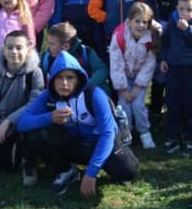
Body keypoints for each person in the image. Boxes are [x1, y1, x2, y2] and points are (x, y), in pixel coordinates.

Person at [17, 52, 140, 197]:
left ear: (79, 79)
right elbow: (22, 123)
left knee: (128, 172)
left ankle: (104, 165)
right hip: (73, 145)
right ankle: (67, 171)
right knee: (36, 135)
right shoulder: (47, 96)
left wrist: (92, 172)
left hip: (100, 144)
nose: (64, 83)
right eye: (59, 77)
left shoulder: (94, 94)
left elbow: (107, 133)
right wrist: (49, 117)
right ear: (52, 79)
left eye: (70, 77)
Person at [0, 31, 44, 173]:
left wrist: (9, 121)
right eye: (10, 47)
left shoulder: (35, 73)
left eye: (19, 47)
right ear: (3, 49)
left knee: (34, 141)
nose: (14, 52)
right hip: (0, 126)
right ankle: (12, 145)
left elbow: (35, 104)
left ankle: (29, 153)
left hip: (26, 121)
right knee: (6, 167)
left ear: (29, 49)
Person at [159, 0, 192, 157]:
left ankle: (190, 138)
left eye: (189, 10)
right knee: (173, 104)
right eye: (181, 9)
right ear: (177, 8)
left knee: (191, 105)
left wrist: (188, 30)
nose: (185, 13)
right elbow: (165, 42)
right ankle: (173, 136)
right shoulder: (172, 20)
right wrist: (163, 58)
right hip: (174, 70)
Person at [108, 3, 161, 149]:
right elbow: (116, 65)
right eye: (137, 21)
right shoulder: (119, 36)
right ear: (129, 20)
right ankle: (126, 133)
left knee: (138, 105)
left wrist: (138, 87)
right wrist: (123, 89)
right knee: (124, 106)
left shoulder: (151, 38)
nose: (141, 25)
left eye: (145, 22)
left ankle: (144, 132)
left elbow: (149, 65)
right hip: (123, 78)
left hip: (139, 79)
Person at [144, 0, 175, 123]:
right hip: (154, 44)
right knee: (157, 79)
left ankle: (170, 110)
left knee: (170, 78)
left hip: (173, 43)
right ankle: (155, 110)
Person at [41, 22, 111, 95]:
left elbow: (102, 70)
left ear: (65, 46)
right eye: (48, 42)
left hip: (84, 95)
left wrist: (86, 86)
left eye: (52, 44)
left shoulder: (85, 52)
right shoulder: (45, 57)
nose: (48, 46)